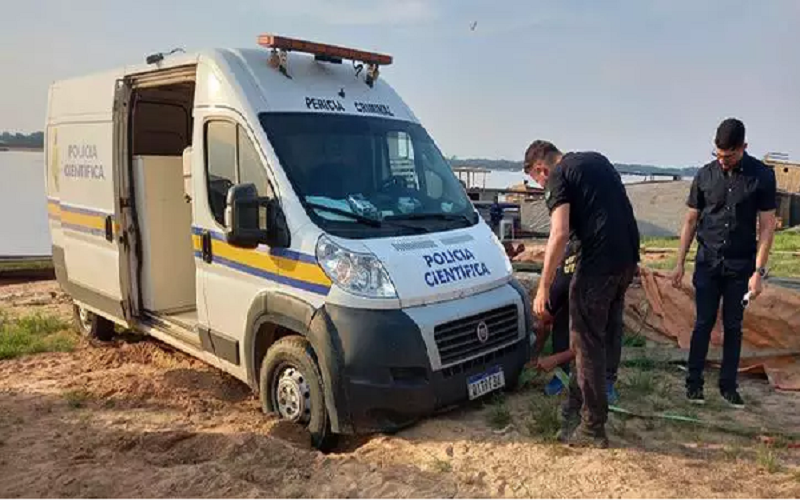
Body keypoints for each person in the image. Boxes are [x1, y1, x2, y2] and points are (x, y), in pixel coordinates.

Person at [525, 140, 640, 448]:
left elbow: (560, 232)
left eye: (538, 182)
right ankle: (576, 406)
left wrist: (543, 286)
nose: (542, 187)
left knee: (586, 344)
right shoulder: (596, 161)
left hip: (598, 265)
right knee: (596, 338)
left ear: (541, 169)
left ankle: (592, 427)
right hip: (627, 260)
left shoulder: (558, 175)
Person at [671, 118, 777, 408]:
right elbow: (690, 220)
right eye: (717, 155)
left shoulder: (762, 177)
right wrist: (679, 262)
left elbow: (767, 226)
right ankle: (694, 383)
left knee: (733, 325)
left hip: (740, 265)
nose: (722, 161)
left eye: (728, 156)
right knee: (702, 322)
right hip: (707, 261)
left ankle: (728, 386)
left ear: (743, 147)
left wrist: (758, 272)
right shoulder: (704, 175)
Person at [535, 238, 620, 405]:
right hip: (573, 278)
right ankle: (562, 374)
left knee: (609, 328)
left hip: (602, 282)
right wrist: (535, 351)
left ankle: (606, 380)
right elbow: (545, 319)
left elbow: (593, 340)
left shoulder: (599, 288)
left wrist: (555, 359)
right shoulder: (562, 282)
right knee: (560, 312)